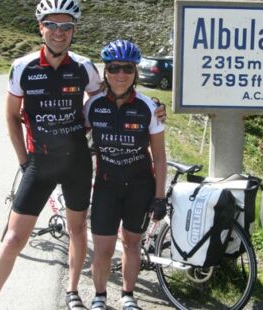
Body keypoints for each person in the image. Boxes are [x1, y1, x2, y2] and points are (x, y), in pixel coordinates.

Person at [0, 1, 166, 309]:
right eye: (53, 25)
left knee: (76, 231)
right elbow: (10, 116)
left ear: (74, 30)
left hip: (77, 164)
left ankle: (73, 292)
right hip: (40, 164)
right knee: (12, 240)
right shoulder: (23, 67)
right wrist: (23, 160)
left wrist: (152, 105)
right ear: (41, 28)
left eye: (67, 26)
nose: (60, 33)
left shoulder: (84, 67)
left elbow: (110, 95)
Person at [83, 39, 167, 310]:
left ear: (135, 73)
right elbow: (74, 137)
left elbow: (160, 156)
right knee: (104, 248)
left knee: (131, 244)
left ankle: (128, 296)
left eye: (128, 69)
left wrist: (159, 196)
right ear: (105, 72)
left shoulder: (148, 108)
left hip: (140, 186)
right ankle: (99, 297)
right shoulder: (93, 105)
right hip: (106, 186)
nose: (121, 74)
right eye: (115, 68)